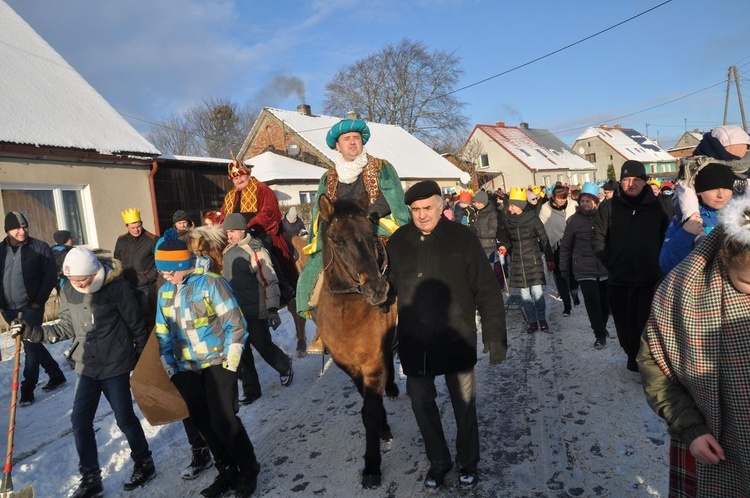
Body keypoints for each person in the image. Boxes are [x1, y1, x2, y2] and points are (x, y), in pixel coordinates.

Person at [386, 181, 507, 492]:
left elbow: (487, 291)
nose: (422, 215)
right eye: (416, 210)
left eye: (428, 208)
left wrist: (495, 336)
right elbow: (390, 290)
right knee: (420, 404)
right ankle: (439, 462)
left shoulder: (462, 239)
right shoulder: (398, 242)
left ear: (441, 207)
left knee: (464, 404)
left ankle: (468, 462)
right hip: (416, 341)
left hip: (457, 338)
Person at [11, 247, 154, 497]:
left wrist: (141, 356)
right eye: (73, 281)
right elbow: (66, 326)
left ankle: (144, 462)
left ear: (95, 272)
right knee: (79, 420)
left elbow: (136, 324)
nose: (78, 285)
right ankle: (91, 477)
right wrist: (33, 332)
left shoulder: (116, 288)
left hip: (115, 363)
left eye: (82, 280)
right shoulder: (68, 289)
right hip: (86, 365)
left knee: (124, 418)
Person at [638, 193, 750, 497]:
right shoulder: (682, 292)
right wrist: (690, 428)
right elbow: (655, 366)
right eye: (748, 284)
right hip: (711, 445)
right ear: (725, 257)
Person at [153, 235, 260, 498]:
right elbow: (162, 332)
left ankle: (248, 468)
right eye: (161, 271)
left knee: (223, 420)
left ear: (180, 266)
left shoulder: (212, 283)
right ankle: (227, 471)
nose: (165, 276)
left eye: (168, 271)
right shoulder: (165, 292)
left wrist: (230, 364)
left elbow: (235, 324)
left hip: (217, 364)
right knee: (203, 423)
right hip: (185, 368)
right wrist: (170, 367)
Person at [295, 118, 410, 326]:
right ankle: (321, 319)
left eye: (356, 138)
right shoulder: (327, 177)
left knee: (397, 257)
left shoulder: (381, 167)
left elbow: (393, 199)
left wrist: (365, 216)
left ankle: (404, 310)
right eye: (346, 139)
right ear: (337, 146)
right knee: (312, 269)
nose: (352, 142)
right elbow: (318, 211)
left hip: (375, 224)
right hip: (341, 230)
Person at [593, 160, 668, 372]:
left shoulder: (659, 206)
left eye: (636, 179)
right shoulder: (608, 207)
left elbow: (667, 237)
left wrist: (660, 264)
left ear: (644, 182)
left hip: (650, 278)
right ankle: (632, 355)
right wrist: (611, 263)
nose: (631, 184)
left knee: (648, 326)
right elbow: (597, 239)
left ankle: (649, 365)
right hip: (620, 279)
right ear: (620, 182)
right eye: (626, 179)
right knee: (624, 327)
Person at [222, 213, 293, 405]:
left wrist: (271, 309)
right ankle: (251, 390)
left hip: (256, 310)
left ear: (242, 230)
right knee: (242, 352)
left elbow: (269, 280)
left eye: (232, 231)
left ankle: (285, 365)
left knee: (263, 346)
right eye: (227, 232)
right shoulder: (227, 252)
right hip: (236, 312)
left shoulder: (255, 250)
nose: (229, 235)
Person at [0, 211, 66, 406]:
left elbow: (49, 276)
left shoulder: (39, 247)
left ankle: (27, 387)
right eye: (17, 227)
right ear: (8, 230)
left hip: (30, 307)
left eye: (24, 226)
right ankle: (56, 374)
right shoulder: (1, 250)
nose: (22, 230)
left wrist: (38, 301)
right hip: (8, 308)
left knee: (29, 346)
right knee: (33, 343)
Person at [558, 182, 609, 349]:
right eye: (582, 201)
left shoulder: (604, 217)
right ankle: (599, 334)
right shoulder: (574, 220)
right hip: (583, 266)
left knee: (605, 302)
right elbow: (566, 245)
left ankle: (602, 325)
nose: (585, 204)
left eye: (588, 201)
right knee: (592, 301)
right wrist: (564, 267)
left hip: (603, 265)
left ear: (596, 201)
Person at [659, 163, 735, 274]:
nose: (721, 195)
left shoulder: (737, 216)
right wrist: (686, 234)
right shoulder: (685, 219)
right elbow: (667, 265)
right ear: (699, 191)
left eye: (726, 188)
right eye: (713, 188)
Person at [497, 187, 554, 332]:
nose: (509, 208)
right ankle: (532, 321)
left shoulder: (532, 219)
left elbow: (543, 238)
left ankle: (542, 319)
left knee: (537, 293)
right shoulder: (509, 221)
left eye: (511, 205)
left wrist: (549, 258)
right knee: (524, 295)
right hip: (518, 262)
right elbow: (509, 241)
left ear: (519, 206)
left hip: (533, 260)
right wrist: (504, 246)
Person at [674, 125, 750, 224]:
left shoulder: (743, 167)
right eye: (735, 149)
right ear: (717, 147)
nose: (739, 154)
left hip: (734, 216)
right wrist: (692, 218)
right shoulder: (700, 165)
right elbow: (686, 191)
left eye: (744, 148)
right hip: (703, 217)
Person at [538, 184, 580, 316]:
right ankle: (566, 304)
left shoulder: (573, 205)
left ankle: (574, 292)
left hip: (572, 244)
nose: (562, 200)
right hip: (556, 246)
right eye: (559, 197)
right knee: (560, 275)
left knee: (573, 273)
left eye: (564, 197)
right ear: (553, 197)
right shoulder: (545, 208)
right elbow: (542, 228)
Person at [113, 208, 159, 327]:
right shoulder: (121, 240)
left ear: (142, 224)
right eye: (133, 228)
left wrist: (149, 277)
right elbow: (117, 260)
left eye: (138, 226)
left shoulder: (152, 240)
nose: (136, 230)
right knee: (131, 318)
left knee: (148, 318)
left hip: (146, 287)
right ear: (126, 226)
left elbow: (159, 262)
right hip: (127, 286)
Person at [280, 207, 309, 355]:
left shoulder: (299, 222)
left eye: (293, 218)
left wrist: (303, 236)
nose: (292, 219)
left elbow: (303, 230)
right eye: (290, 218)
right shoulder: (283, 222)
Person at [470, 190, 498, 260]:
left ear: (484, 203)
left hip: (489, 247)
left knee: (489, 269)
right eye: (475, 202)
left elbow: (493, 231)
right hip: (478, 246)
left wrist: (478, 232)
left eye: (478, 203)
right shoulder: (477, 213)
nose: (476, 204)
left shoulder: (491, 214)